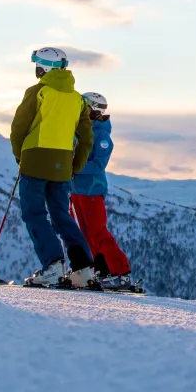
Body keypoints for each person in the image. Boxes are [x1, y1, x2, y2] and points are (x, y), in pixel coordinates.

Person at [9, 47, 96, 288]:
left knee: (34, 213)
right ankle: (83, 270)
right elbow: (87, 139)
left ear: (43, 67)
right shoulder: (77, 99)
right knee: (61, 215)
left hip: (35, 159)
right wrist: (74, 166)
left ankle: (53, 265)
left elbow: (18, 128)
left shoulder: (38, 92)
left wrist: (20, 156)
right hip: (63, 166)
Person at [70, 92, 136, 291]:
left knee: (98, 232)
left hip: (91, 190)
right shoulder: (80, 130)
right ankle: (103, 271)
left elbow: (98, 164)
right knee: (86, 234)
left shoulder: (102, 135)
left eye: (84, 107)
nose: (80, 110)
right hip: (76, 190)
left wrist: (73, 167)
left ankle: (122, 273)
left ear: (94, 109)